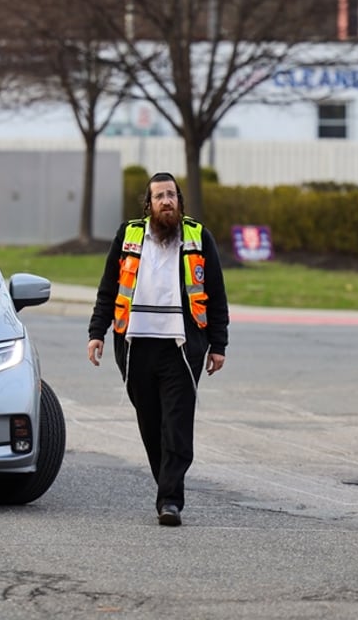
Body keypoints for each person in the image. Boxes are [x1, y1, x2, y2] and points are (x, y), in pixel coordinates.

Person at [87, 172, 229, 527]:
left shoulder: (198, 237)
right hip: (136, 345)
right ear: (148, 205)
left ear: (180, 201)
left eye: (171, 195)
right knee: (151, 423)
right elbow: (109, 287)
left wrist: (219, 344)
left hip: (182, 347)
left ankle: (170, 500)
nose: (166, 201)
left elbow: (216, 294)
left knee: (177, 425)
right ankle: (167, 485)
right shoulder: (129, 235)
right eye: (159, 196)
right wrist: (97, 332)